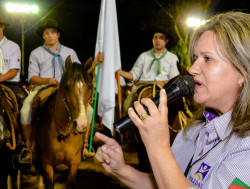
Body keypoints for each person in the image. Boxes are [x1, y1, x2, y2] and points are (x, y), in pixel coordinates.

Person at [95, 11, 250, 189]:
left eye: (207, 59)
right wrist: (121, 170)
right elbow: (169, 188)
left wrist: (158, 147)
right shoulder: (195, 130)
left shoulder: (246, 148)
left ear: (242, 72)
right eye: (195, 57)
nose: (191, 67)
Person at [20, 18, 101, 162]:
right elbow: (32, 77)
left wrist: (94, 65)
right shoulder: (36, 53)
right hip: (44, 88)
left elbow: (79, 72)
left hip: (67, 89)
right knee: (25, 109)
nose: (50, 35)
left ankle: (84, 146)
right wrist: (47, 80)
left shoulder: (70, 52)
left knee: (88, 111)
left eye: (53, 32)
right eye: (46, 33)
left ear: (58, 35)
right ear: (43, 36)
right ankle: (29, 147)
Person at [118, 29, 180, 115]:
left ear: (166, 41)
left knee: (178, 107)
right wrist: (120, 72)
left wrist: (164, 82)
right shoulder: (143, 56)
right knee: (127, 104)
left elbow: (175, 78)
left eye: (161, 38)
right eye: (156, 37)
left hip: (163, 88)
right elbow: (134, 75)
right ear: (152, 40)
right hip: (142, 87)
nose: (158, 40)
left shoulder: (172, 58)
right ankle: (127, 125)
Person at [0, 16, 26, 106]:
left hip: (11, 84)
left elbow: (13, 72)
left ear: (3, 27)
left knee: (24, 108)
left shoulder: (13, 47)